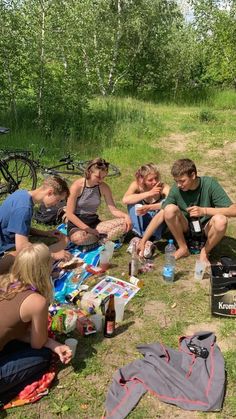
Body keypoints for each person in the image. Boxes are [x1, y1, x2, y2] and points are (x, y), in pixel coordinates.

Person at [0, 243, 72, 406]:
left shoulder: (4, 281)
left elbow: (12, 331)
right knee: (42, 358)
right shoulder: (36, 301)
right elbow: (37, 343)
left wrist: (53, 344)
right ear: (44, 268)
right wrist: (51, 345)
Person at [162, 158, 236, 263]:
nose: (179, 185)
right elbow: (164, 209)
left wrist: (204, 211)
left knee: (221, 220)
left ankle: (205, 252)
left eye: (182, 181)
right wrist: (144, 239)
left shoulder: (209, 184)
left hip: (207, 228)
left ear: (193, 175)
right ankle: (183, 248)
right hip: (186, 227)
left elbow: (234, 211)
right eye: (176, 181)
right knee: (169, 209)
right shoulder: (177, 188)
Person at [0, 175, 71, 274]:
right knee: (56, 247)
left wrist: (45, 233)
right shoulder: (24, 208)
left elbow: (20, 227)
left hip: (10, 240)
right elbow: (22, 247)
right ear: (49, 192)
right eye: (58, 200)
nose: (56, 204)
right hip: (5, 250)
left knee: (58, 240)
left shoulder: (22, 194)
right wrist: (53, 255)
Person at [66, 158, 131, 246]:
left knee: (127, 223)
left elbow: (113, 210)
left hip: (94, 222)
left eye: (103, 177)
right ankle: (102, 238)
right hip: (77, 224)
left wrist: (126, 216)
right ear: (89, 172)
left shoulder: (103, 187)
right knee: (79, 238)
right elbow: (69, 214)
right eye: (98, 177)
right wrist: (88, 229)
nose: (100, 180)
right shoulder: (77, 186)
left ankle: (97, 238)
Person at [122, 163, 169, 258]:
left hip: (156, 223)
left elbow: (173, 202)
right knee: (133, 202)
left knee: (165, 205)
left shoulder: (163, 187)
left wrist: (150, 207)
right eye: (150, 180)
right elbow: (125, 200)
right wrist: (149, 193)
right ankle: (140, 236)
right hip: (141, 220)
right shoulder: (137, 185)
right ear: (142, 180)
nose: (154, 182)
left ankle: (149, 239)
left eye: (156, 178)